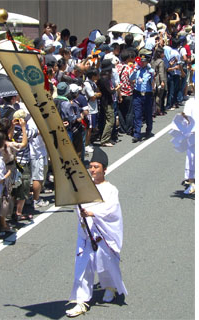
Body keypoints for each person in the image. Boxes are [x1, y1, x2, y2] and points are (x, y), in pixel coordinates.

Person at [66, 148, 127, 317]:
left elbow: (112, 209)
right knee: (82, 268)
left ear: (104, 169)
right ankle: (81, 301)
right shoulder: (84, 187)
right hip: (85, 235)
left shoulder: (111, 189)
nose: (92, 170)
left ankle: (110, 286)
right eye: (91, 166)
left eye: (96, 167)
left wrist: (93, 213)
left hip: (102, 234)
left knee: (105, 265)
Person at [129, 48, 155, 142]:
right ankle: (137, 134)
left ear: (147, 61)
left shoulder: (150, 71)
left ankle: (149, 130)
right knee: (137, 114)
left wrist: (152, 77)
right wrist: (135, 70)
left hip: (147, 94)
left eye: (144, 61)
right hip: (137, 93)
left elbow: (152, 84)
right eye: (141, 61)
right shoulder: (137, 69)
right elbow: (130, 78)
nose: (142, 63)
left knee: (148, 114)